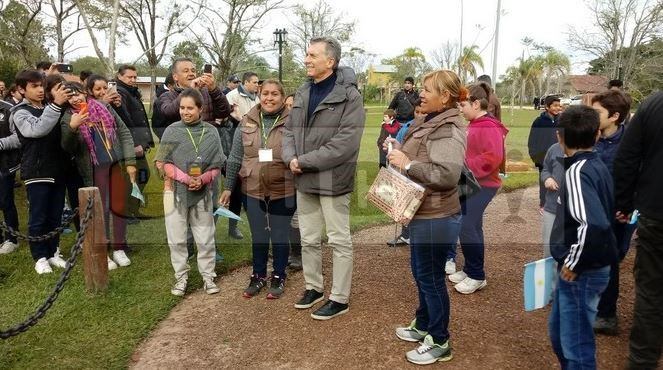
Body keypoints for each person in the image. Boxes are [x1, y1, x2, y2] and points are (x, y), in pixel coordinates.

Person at [384, 69, 466, 365]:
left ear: (445, 96)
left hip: (436, 214)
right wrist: (396, 150)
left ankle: (440, 340)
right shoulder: (431, 120)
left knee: (430, 278)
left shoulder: (448, 128)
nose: (421, 93)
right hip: (422, 210)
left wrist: (407, 164)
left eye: (428, 89)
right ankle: (423, 323)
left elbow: (446, 174)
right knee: (422, 274)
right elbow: (420, 155)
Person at [282, 36, 365, 320]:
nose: (306, 59)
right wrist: (290, 157)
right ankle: (313, 287)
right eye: (307, 54)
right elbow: (289, 130)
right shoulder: (303, 90)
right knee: (308, 239)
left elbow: (345, 143)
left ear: (330, 61)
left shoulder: (351, 96)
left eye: (312, 55)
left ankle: (339, 298)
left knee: (339, 240)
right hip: (303, 178)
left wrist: (302, 161)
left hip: (332, 180)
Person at [548, 105, 617, 369]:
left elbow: (593, 224)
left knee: (577, 346)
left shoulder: (577, 172)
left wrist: (573, 263)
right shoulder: (597, 164)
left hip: (583, 270)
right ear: (597, 135)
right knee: (559, 335)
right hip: (591, 265)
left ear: (560, 137)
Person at [219, 79, 295, 299]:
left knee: (280, 234)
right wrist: (228, 187)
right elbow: (234, 157)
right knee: (259, 235)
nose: (269, 98)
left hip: (284, 188)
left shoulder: (294, 122)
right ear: (259, 95)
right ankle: (258, 275)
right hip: (252, 188)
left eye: (275, 94)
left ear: (282, 97)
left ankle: (279, 275)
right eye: (265, 94)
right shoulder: (247, 121)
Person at [155, 88, 225, 296]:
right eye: (182, 108)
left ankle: (208, 277)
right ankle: (181, 277)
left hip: (202, 193)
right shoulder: (172, 130)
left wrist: (202, 179)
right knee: (176, 238)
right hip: (175, 191)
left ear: (200, 109)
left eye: (190, 108)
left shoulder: (211, 132)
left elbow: (217, 165)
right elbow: (162, 162)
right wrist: (186, 179)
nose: (185, 112)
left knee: (205, 237)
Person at [61, 80, 136, 269]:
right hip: (94, 170)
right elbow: (68, 148)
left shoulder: (103, 107)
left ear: (85, 92)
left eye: (78, 93)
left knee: (119, 206)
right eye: (70, 96)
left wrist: (130, 162)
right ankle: (103, 251)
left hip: (115, 165)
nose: (76, 98)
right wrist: (73, 127)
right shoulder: (68, 117)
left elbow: (125, 134)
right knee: (99, 210)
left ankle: (119, 248)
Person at [612, 91, 663, 370]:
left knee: (651, 290)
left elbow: (627, 159)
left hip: (656, 211)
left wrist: (624, 202)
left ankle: (643, 361)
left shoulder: (654, 103)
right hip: (656, 211)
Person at [447, 82, 508, 293]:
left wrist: (463, 166)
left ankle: (476, 274)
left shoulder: (488, 125)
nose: (460, 109)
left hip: (483, 183)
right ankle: (471, 268)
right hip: (471, 181)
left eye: (463, 105)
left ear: (475, 104)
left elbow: (493, 158)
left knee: (466, 225)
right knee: (472, 226)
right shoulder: (475, 123)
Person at [10, 69, 72, 274]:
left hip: (58, 169)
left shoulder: (50, 107)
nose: (39, 90)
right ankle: (40, 257)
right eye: (34, 86)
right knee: (38, 216)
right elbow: (36, 130)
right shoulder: (20, 112)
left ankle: (53, 251)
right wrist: (56, 105)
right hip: (36, 171)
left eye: (41, 86)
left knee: (55, 215)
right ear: (21, 89)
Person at [588, 89, 637, 336]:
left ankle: (607, 314)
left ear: (615, 116)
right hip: (592, 212)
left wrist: (628, 207)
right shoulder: (592, 138)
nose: (593, 116)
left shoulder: (631, 144)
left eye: (598, 112)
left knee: (611, 260)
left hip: (619, 215)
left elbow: (638, 177)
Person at [222, 71, 260, 240]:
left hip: (253, 147)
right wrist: (241, 120)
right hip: (234, 142)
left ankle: (255, 229)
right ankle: (232, 226)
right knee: (234, 190)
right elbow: (225, 116)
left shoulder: (256, 98)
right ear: (246, 82)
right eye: (254, 82)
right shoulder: (232, 96)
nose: (257, 85)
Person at [114, 65, 155, 221]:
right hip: (129, 143)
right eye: (129, 77)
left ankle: (133, 210)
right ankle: (127, 212)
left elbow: (140, 117)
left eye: (134, 77)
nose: (132, 79)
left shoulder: (131, 92)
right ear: (120, 76)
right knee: (133, 177)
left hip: (138, 141)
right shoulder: (120, 92)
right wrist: (135, 143)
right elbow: (125, 120)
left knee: (141, 175)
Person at [386, 100, 427, 248]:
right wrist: (392, 147)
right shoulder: (407, 127)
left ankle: (447, 255)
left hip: (422, 174)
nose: (420, 115)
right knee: (405, 204)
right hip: (406, 173)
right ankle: (405, 234)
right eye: (417, 112)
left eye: (424, 112)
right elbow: (399, 147)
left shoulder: (433, 130)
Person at [528, 95, 561, 212]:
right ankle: (543, 203)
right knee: (544, 181)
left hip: (559, 157)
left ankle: (557, 202)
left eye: (559, 105)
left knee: (558, 179)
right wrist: (534, 156)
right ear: (547, 107)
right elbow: (532, 140)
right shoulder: (539, 122)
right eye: (555, 105)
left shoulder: (562, 121)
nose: (558, 108)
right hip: (542, 157)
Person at [0, 92, 21, 254]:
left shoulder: (9, 109)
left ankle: (11, 238)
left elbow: (19, 138)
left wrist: (0, 143)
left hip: (5, 165)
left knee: (5, 201)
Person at [540, 141, 564, 258]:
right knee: (549, 251)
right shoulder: (554, 148)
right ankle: (549, 276)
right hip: (552, 207)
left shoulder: (586, 149)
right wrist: (547, 179)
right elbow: (545, 169)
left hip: (574, 211)